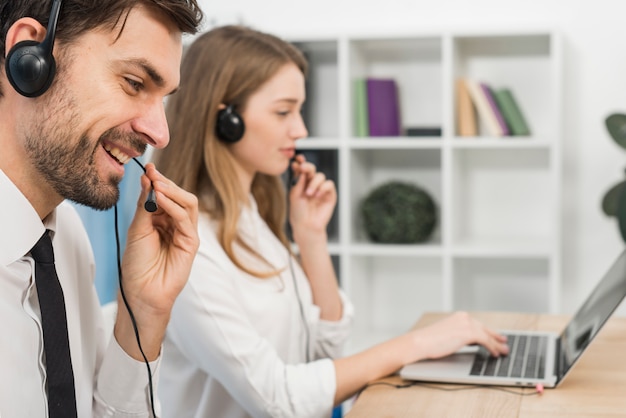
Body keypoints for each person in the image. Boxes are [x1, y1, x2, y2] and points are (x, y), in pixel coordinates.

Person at [154, 25, 510, 418]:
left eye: (299, 110)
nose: (301, 130)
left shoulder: (252, 220)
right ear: (227, 119)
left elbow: (325, 351)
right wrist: (418, 344)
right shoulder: (190, 246)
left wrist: (311, 237)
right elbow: (280, 398)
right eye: (283, 111)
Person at [0, 1, 203, 417]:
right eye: (134, 82)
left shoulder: (64, 237)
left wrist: (144, 314)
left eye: (163, 99)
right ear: (30, 56)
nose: (159, 134)